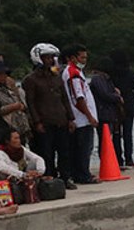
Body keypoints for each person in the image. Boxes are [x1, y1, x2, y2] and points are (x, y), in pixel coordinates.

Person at [23, 43, 74, 188]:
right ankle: (50, 178)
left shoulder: (56, 77)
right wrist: (37, 122)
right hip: (45, 121)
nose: (50, 60)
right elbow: (30, 103)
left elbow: (64, 98)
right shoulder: (31, 80)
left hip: (60, 119)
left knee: (64, 151)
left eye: (52, 57)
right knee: (47, 153)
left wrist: (70, 118)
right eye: (47, 57)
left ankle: (65, 178)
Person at [0, 61, 31, 178]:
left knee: (19, 155)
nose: (3, 76)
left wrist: (21, 107)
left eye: (4, 74)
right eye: (0, 74)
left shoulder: (9, 89)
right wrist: (13, 107)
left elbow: (21, 103)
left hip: (15, 127)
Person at [61, 45, 99, 184]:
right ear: (72, 58)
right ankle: (83, 175)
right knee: (83, 148)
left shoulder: (77, 71)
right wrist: (90, 116)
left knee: (81, 148)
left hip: (83, 118)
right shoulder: (73, 73)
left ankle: (79, 173)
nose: (84, 60)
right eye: (82, 57)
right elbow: (78, 97)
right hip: (81, 119)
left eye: (85, 57)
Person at [88, 60, 123, 167]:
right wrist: (117, 97)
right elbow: (104, 94)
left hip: (109, 113)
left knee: (109, 139)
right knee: (104, 140)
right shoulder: (98, 79)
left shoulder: (106, 79)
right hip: (103, 113)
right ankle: (106, 163)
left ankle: (111, 162)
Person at [109, 51, 134, 168]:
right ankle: (129, 158)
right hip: (129, 107)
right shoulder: (130, 73)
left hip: (115, 106)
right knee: (128, 134)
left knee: (116, 134)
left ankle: (118, 159)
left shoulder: (111, 74)